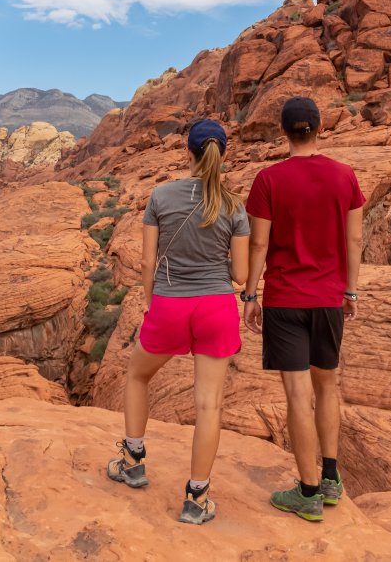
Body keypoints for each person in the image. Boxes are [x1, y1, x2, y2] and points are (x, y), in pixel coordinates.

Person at [106, 118, 250, 526]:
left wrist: (153, 301)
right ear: (223, 154)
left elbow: (149, 261)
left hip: (170, 305)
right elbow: (239, 275)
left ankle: (133, 462)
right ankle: (196, 498)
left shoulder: (160, 195)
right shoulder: (233, 205)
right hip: (216, 309)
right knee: (209, 405)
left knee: (137, 376)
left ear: (188, 152)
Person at [242, 96, 366, 522]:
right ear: (319, 128)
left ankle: (308, 492)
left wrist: (250, 295)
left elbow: (258, 243)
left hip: (285, 299)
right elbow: (353, 241)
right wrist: (351, 291)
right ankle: (330, 480)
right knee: (326, 387)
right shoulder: (344, 176)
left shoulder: (268, 179)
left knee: (297, 395)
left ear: (283, 132)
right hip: (329, 299)